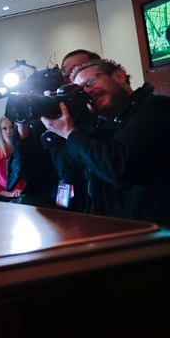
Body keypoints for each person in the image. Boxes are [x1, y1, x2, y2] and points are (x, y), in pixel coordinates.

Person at [41, 58, 170, 226]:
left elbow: (118, 166)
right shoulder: (101, 127)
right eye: (82, 90)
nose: (88, 91)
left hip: (155, 235)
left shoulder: (156, 108)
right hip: (118, 232)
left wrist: (70, 133)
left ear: (119, 76)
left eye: (91, 81)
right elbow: (71, 176)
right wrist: (57, 133)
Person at [6, 49, 100, 210]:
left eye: (76, 69)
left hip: (89, 203)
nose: (67, 75)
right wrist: (23, 124)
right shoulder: (47, 114)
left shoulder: (98, 113)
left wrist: (63, 132)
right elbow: (28, 172)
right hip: (49, 203)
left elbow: (82, 171)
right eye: (64, 71)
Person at [0, 117, 27, 201]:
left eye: (11, 127)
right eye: (4, 128)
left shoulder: (24, 150)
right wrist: (10, 194)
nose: (8, 132)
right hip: (4, 197)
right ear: (0, 132)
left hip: (25, 196)